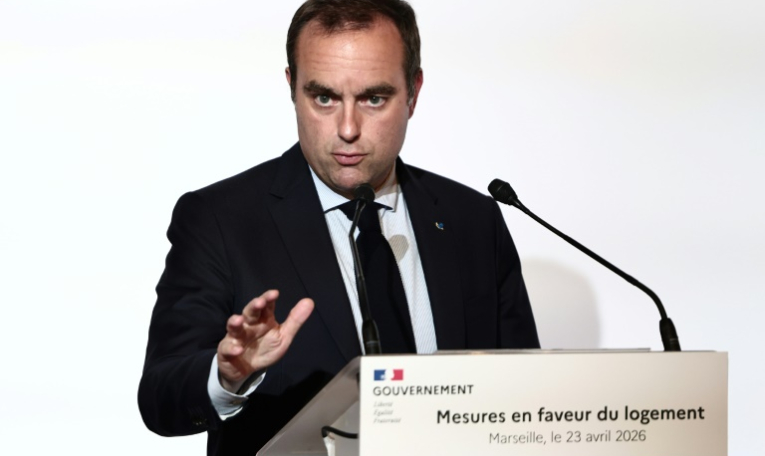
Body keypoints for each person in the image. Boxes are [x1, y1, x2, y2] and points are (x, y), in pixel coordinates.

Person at [138, 1, 539, 454]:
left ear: (413, 92)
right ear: (292, 88)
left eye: (374, 98)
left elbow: (523, 393)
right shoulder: (220, 219)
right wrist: (226, 376)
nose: (348, 128)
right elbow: (159, 398)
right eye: (324, 98)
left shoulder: (473, 220)